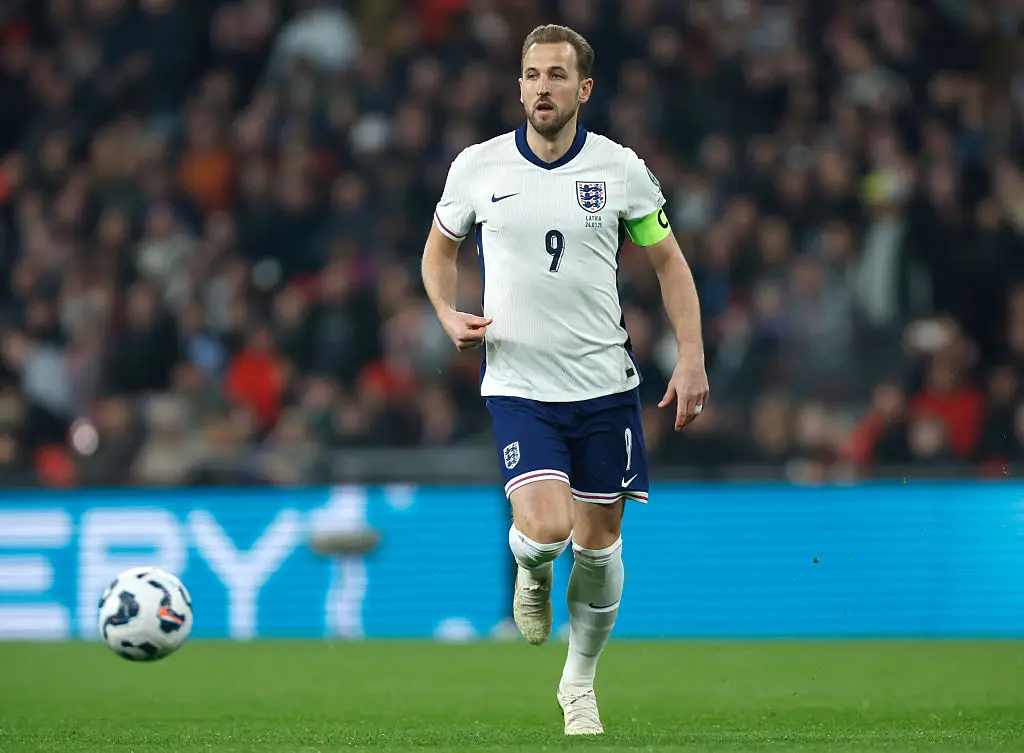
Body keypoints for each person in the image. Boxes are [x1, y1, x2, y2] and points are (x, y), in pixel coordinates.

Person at [421, 24, 709, 735]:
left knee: (601, 545)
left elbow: (669, 262)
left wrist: (693, 355)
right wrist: (444, 311)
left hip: (605, 385)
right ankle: (530, 564)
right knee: (547, 529)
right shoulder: (479, 168)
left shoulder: (621, 171)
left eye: (556, 76)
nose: (541, 88)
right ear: (518, 86)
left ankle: (577, 683)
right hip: (520, 383)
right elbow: (438, 251)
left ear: (582, 89)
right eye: (531, 75)